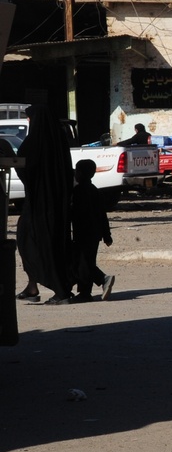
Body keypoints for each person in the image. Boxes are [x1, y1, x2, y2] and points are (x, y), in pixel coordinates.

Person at [14, 104, 74, 305]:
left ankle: (60, 291)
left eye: (30, 118)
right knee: (50, 244)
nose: (28, 121)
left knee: (32, 242)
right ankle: (32, 287)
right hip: (57, 204)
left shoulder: (34, 142)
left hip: (39, 206)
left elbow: (25, 168)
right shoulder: (58, 140)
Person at [69, 159, 115, 304]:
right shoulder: (95, 190)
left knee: (83, 263)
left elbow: (75, 213)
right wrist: (107, 235)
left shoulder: (78, 191)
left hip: (83, 232)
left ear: (80, 173)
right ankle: (89, 288)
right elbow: (102, 215)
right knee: (86, 261)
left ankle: (95, 284)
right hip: (94, 233)